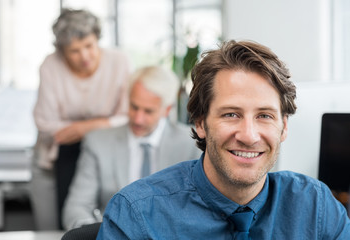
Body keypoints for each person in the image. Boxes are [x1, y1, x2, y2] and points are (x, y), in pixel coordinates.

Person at [96, 40, 350, 239]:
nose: (249, 136)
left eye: (264, 115)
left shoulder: (316, 206)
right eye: (231, 114)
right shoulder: (138, 213)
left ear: (283, 127)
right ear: (199, 122)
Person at [62, 66, 202, 230]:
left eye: (148, 111)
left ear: (167, 110)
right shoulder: (98, 143)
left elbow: (199, 209)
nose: (138, 119)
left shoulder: (191, 143)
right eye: (134, 107)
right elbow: (76, 208)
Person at [31, 9, 131, 230]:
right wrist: (105, 123)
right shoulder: (50, 65)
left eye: (89, 46)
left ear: (98, 39)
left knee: (101, 227)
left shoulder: (119, 61)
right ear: (62, 51)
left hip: (105, 156)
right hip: (54, 159)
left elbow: (127, 118)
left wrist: (82, 128)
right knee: (52, 230)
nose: (84, 56)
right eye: (74, 51)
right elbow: (46, 124)